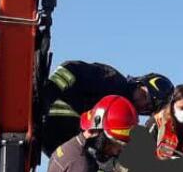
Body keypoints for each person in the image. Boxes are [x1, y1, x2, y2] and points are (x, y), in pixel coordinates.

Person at [40, 60, 174, 156]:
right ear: (139, 82)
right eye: (144, 95)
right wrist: (52, 89)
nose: (141, 104)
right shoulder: (113, 81)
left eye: (147, 107)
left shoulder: (125, 121)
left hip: (68, 141)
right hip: (54, 118)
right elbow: (72, 68)